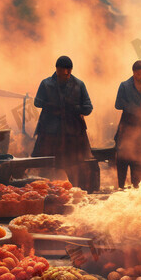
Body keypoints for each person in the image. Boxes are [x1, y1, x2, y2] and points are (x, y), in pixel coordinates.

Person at [32, 56, 94, 187]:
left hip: (73, 133)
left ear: (71, 71)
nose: (65, 75)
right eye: (62, 73)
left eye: (68, 72)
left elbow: (88, 108)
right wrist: (51, 106)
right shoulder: (46, 83)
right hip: (50, 132)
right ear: (57, 70)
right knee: (46, 168)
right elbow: (37, 102)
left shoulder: (79, 84)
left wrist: (75, 108)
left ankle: (77, 193)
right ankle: (46, 194)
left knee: (74, 167)